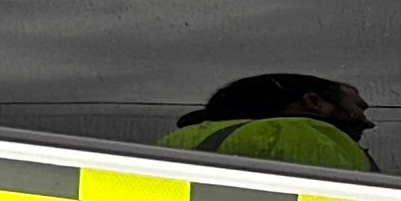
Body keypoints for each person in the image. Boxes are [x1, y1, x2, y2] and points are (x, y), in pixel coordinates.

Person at [161, 71, 378, 170]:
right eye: (359, 107)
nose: (368, 123)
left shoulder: (177, 142)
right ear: (313, 102)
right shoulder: (304, 138)